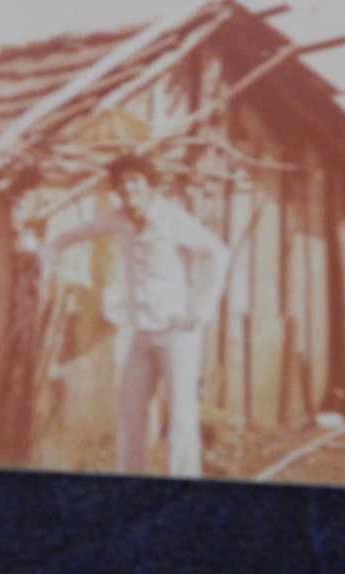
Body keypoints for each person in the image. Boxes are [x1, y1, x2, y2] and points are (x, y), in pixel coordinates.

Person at [40, 155, 229, 477]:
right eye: (123, 183)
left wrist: (200, 309)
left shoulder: (171, 218)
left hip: (176, 331)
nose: (129, 188)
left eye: (136, 181)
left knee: (181, 415)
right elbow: (76, 233)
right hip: (142, 331)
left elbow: (218, 251)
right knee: (129, 410)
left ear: (149, 186)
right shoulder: (117, 218)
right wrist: (48, 252)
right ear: (116, 189)